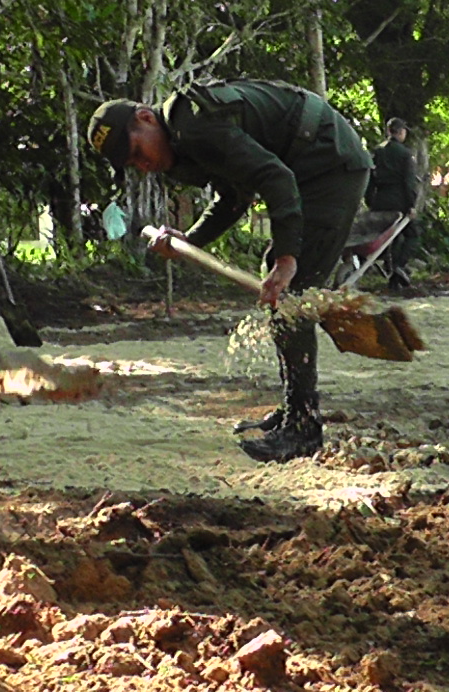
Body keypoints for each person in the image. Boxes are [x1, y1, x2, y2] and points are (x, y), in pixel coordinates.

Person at [86, 79, 372, 463]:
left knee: (293, 291)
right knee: (280, 291)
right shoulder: (182, 145)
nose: (143, 164)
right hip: (304, 162)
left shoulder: (195, 125)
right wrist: (189, 240)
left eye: (138, 151)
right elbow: (234, 197)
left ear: (146, 117)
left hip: (328, 160)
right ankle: (293, 409)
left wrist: (287, 259)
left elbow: (276, 179)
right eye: (132, 164)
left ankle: (304, 428)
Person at [366, 117, 421, 288]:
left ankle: (393, 275)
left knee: (390, 237)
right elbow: (409, 182)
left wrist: (370, 201)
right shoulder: (405, 154)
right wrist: (411, 205)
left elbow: (370, 179)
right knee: (413, 234)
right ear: (401, 132)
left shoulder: (377, 152)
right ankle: (399, 266)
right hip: (399, 200)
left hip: (380, 200)